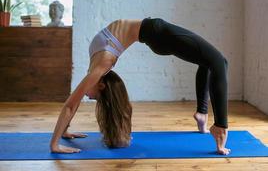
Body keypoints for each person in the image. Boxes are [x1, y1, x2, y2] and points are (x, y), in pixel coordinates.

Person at [50, 17, 230, 155]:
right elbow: (71, 105)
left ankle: (202, 113)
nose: (89, 97)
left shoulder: (97, 67)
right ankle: (220, 126)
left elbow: (72, 104)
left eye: (94, 97)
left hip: (156, 34)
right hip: (157, 33)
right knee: (219, 62)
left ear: (102, 86)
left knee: (211, 62)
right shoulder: (101, 66)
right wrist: (55, 144)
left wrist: (64, 133)